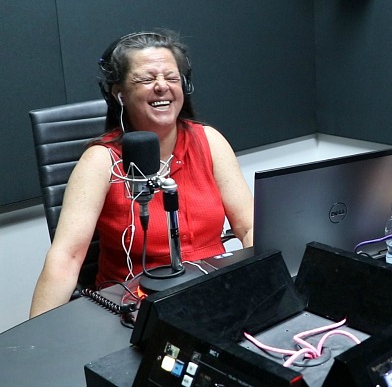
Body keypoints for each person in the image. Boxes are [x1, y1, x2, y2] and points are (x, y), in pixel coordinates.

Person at [30, 30, 254, 317]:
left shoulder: (209, 140)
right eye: (147, 79)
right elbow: (67, 257)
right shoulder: (102, 160)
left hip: (214, 294)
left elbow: (249, 228)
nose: (162, 87)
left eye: (171, 78)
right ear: (119, 93)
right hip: (136, 307)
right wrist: (36, 343)